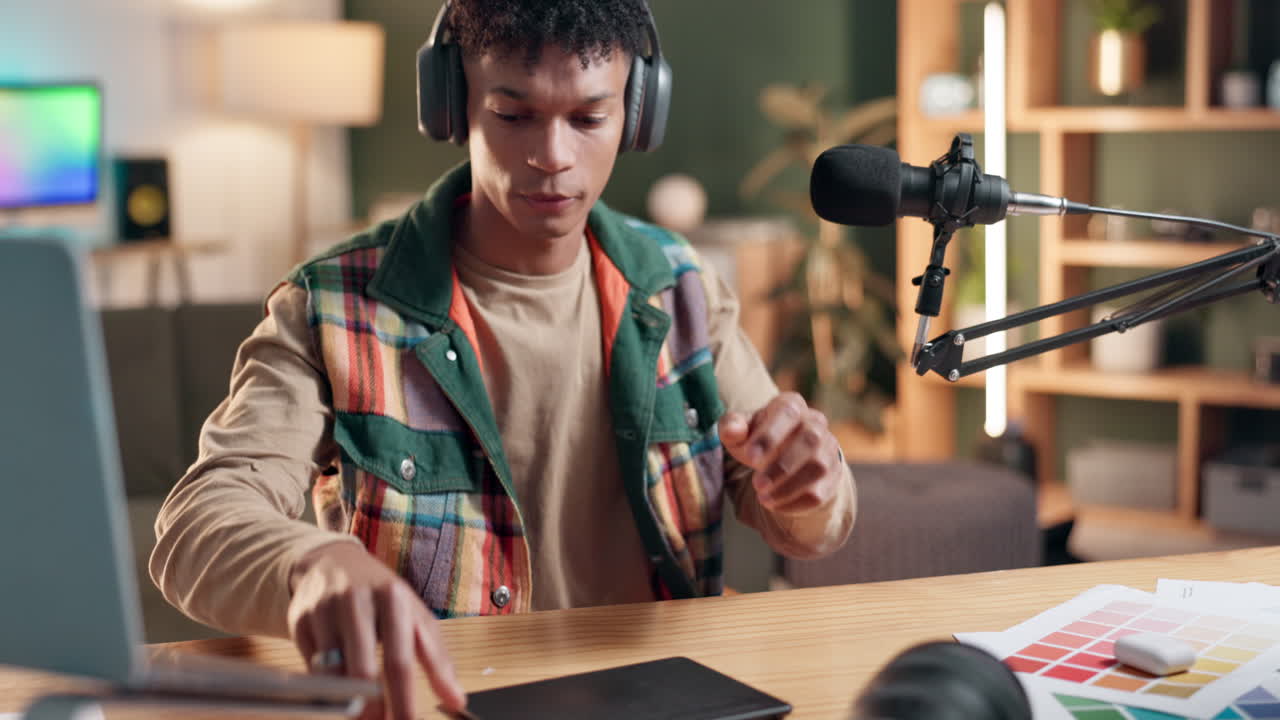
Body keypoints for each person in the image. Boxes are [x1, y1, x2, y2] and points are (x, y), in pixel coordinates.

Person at [149, 1, 857, 718]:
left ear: (636, 115)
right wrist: (310, 567)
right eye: (514, 116)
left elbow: (808, 521)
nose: (552, 155)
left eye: (587, 118)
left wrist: (810, 489)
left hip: (664, 699)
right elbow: (195, 525)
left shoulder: (683, 287)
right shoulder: (330, 304)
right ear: (453, 107)